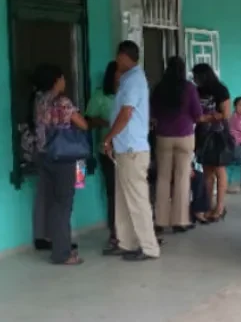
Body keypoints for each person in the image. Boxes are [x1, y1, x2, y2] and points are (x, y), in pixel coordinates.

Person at [102, 41, 159, 261]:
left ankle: (149, 247)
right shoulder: (127, 80)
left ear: (125, 56)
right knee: (123, 199)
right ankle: (127, 242)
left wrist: (108, 138)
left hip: (132, 149)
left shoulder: (134, 80)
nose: (117, 61)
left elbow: (126, 114)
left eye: (118, 57)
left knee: (137, 199)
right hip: (125, 148)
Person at [29, 64, 89, 265]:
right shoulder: (62, 102)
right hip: (65, 158)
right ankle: (62, 253)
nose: (65, 82)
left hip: (45, 156)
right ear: (56, 81)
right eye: (62, 78)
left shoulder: (38, 101)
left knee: (53, 202)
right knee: (63, 204)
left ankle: (56, 243)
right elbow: (82, 124)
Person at [151, 56, 202, 234]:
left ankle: (160, 220)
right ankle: (180, 220)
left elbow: (152, 112)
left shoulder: (159, 88)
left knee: (163, 178)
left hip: (163, 135)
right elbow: (197, 113)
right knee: (182, 178)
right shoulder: (189, 88)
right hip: (185, 135)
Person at [85, 61, 120, 250]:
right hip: (108, 149)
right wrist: (105, 122)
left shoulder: (129, 93)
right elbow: (88, 121)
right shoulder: (101, 95)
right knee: (113, 191)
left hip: (130, 150)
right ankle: (115, 232)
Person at [192, 63, 233, 223]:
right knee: (207, 170)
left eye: (196, 76)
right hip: (202, 133)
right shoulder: (197, 91)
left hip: (218, 134)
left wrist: (206, 118)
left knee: (219, 169)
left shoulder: (220, 90)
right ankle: (208, 205)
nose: (194, 79)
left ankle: (220, 207)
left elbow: (225, 114)